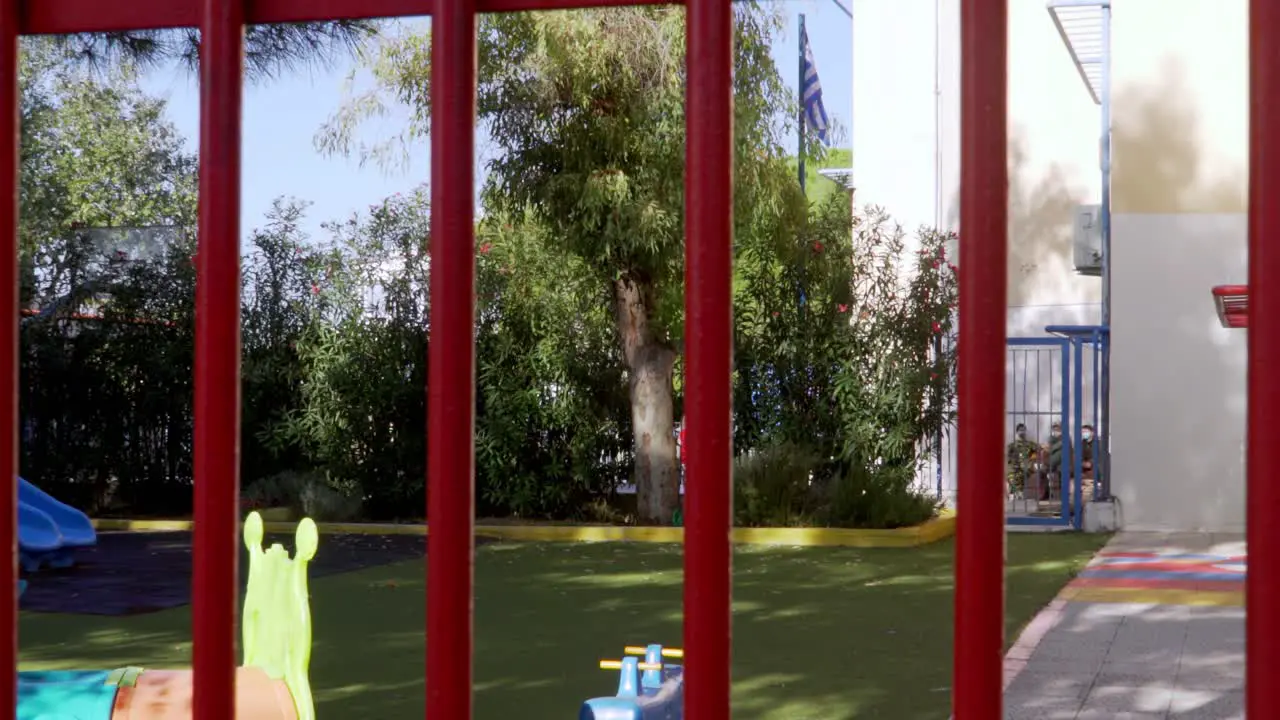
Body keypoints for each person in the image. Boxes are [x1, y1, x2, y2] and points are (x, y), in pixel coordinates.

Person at [1005, 423, 1039, 498]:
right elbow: (1008, 458)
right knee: (1012, 474)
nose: (1022, 432)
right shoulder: (1012, 445)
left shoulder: (1030, 444)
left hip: (1027, 466)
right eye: (1020, 430)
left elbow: (1039, 450)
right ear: (1017, 432)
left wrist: (1033, 457)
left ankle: (1016, 493)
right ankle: (1016, 493)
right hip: (1015, 467)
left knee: (1020, 473)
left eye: (1023, 430)